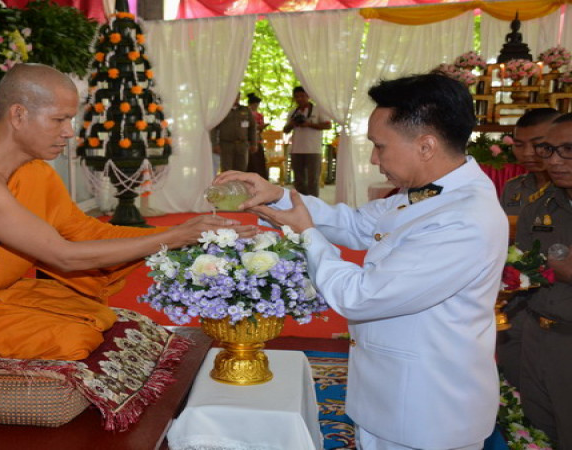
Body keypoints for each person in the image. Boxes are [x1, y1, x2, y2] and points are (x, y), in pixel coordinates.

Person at [0, 63, 257, 361]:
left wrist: (169, 241)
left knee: (94, 316)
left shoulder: (29, 172)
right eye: (60, 119)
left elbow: (78, 231)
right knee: (70, 339)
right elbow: (62, 255)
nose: (69, 131)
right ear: (18, 115)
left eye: (71, 119)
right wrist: (176, 235)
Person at [217, 73, 507, 449]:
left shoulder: (464, 218)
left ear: (426, 146)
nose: (373, 158)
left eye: (379, 145)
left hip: (427, 410)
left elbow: (362, 296)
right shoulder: (427, 194)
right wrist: (277, 197)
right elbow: (355, 224)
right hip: (390, 395)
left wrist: (308, 235)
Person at [513, 113, 572, 447]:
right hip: (536, 335)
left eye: (568, 150)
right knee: (538, 435)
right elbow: (523, 272)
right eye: (549, 150)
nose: (555, 160)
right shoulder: (539, 207)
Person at [496, 107, 559, 390]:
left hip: (555, 301)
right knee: (511, 367)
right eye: (520, 145)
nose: (528, 153)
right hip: (514, 298)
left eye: (539, 144)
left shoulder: (563, 190)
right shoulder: (514, 188)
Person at [283, 86, 331, 197]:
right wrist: (292, 123)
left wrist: (309, 124)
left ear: (308, 96)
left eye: (302, 96)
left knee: (313, 180)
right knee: (299, 180)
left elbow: (328, 125)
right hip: (296, 150)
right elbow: (285, 130)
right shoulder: (293, 112)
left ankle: (314, 204)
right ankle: (301, 202)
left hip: (313, 150)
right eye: (297, 97)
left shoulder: (318, 109)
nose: (299, 99)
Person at [210, 94, 257, 174]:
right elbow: (213, 128)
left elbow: (252, 127)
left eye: (238, 95)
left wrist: (254, 143)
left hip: (242, 145)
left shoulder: (245, 110)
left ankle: (239, 186)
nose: (236, 97)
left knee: (241, 170)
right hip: (226, 145)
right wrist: (214, 144)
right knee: (227, 171)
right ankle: (227, 186)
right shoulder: (223, 110)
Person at [246, 92, 268, 180]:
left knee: (259, 164)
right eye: (254, 104)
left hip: (258, 140)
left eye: (257, 104)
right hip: (248, 141)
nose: (256, 106)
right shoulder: (245, 113)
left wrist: (261, 128)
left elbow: (260, 129)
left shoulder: (259, 115)